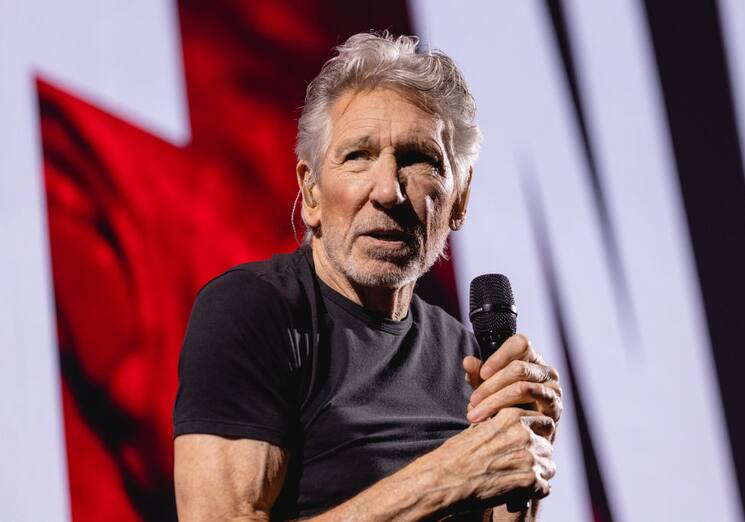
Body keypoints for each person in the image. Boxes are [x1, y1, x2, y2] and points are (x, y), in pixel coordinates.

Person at [173, 32, 563, 521]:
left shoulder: (471, 361)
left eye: (418, 159)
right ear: (310, 192)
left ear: (459, 199)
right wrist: (450, 477)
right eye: (358, 155)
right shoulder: (254, 312)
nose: (388, 191)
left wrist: (522, 457)